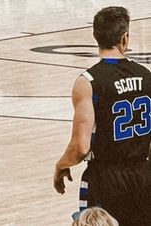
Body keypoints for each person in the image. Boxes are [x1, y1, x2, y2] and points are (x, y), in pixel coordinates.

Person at [54, 6, 151, 226]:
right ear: (125, 38)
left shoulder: (89, 81)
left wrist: (61, 164)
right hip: (143, 174)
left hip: (105, 178)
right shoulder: (147, 77)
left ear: (95, 36)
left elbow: (80, 146)